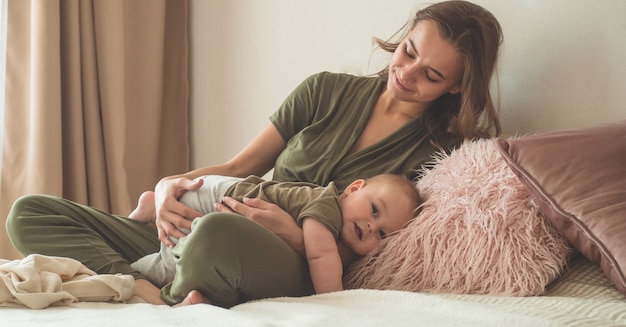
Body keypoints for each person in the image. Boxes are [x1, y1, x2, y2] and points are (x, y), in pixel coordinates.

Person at [7, 0, 502, 307]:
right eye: (409, 51)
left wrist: (293, 234)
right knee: (30, 213)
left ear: (458, 85)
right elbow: (237, 169)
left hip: (286, 261)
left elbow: (375, 242)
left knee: (215, 233)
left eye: (432, 75)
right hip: (218, 215)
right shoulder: (324, 90)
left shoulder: (440, 156)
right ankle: (142, 286)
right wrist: (167, 186)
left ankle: (165, 285)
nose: (407, 73)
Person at [130, 174, 421, 295]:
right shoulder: (327, 205)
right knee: (164, 270)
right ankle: (130, 274)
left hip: (222, 195)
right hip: (212, 199)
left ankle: (144, 208)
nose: (372, 227)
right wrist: (336, 302)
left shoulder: (345, 231)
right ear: (354, 188)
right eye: (373, 210)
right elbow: (320, 254)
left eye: (382, 234)